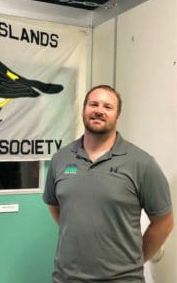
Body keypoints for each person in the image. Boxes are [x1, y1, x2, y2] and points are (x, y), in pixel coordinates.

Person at [43, 85, 174, 283]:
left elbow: (164, 222)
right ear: (84, 110)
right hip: (66, 278)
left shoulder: (141, 163)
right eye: (93, 104)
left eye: (107, 107)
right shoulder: (60, 159)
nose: (99, 110)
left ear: (117, 117)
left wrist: (135, 260)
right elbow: (54, 206)